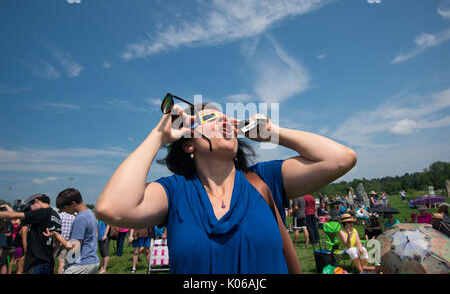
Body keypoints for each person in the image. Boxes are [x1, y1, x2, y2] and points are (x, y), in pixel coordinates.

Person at [95, 98, 357, 274]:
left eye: (228, 121)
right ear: (188, 144)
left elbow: (340, 158)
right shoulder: (174, 192)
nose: (225, 122)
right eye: (211, 118)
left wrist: (272, 132)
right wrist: (159, 136)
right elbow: (112, 208)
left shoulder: (264, 179)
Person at [0, 193, 62, 274]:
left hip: (37, 262)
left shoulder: (41, 212)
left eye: (29, 208)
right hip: (48, 261)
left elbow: (13, 215)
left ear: (36, 201)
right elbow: (57, 243)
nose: (30, 211)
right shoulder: (55, 215)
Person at [54, 188, 99, 274]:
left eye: (64, 208)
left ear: (73, 203)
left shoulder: (80, 218)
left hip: (81, 264)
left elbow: (73, 247)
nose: (64, 211)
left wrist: (57, 236)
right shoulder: (90, 213)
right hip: (92, 261)